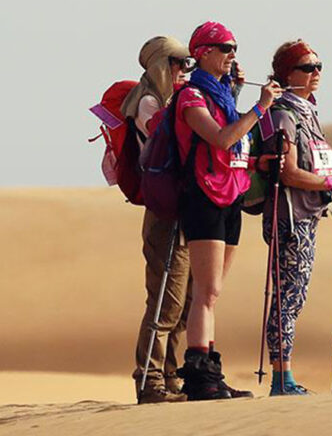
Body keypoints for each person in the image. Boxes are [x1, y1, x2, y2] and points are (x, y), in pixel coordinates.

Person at [174, 21, 282, 401]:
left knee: (212, 293)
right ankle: (199, 376)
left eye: (234, 47)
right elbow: (222, 139)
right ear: (203, 53)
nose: (232, 54)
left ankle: (210, 372)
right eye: (225, 48)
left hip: (231, 196)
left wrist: (256, 161)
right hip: (203, 197)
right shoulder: (191, 98)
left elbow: (235, 147)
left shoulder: (222, 97)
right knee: (206, 290)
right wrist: (260, 107)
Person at [261, 39, 332, 395]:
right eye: (307, 67)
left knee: (295, 296)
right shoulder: (283, 113)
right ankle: (282, 379)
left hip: (307, 216)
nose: (316, 73)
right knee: (288, 297)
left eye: (319, 66)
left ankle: (285, 378)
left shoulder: (306, 112)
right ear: (287, 74)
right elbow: (288, 173)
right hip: (290, 218)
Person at [122, 36, 195, 404]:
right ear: (160, 65)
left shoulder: (166, 99)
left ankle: (169, 375)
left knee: (184, 302)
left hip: (181, 210)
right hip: (164, 213)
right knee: (166, 301)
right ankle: (149, 380)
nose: (184, 70)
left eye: (187, 63)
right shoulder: (149, 102)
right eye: (178, 63)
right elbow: (173, 137)